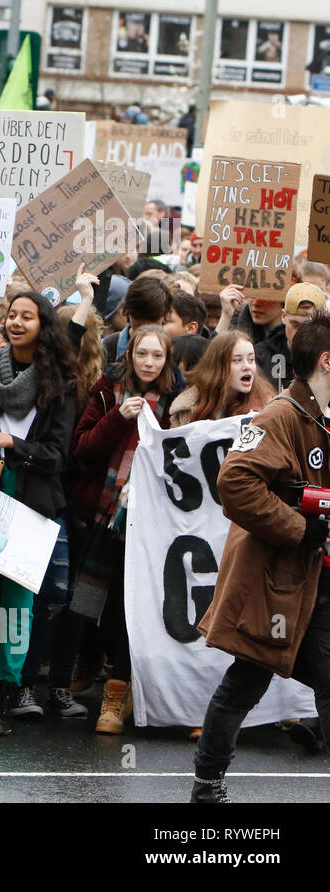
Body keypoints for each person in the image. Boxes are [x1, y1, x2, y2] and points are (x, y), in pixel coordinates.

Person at [191, 313, 330, 802]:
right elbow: (234, 482)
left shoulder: (323, 417)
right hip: (279, 578)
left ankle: (207, 783)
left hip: (316, 578)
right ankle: (207, 784)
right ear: (326, 361)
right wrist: (299, 528)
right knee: (247, 679)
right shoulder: (280, 416)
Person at [0, 291, 79, 737]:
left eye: (28, 316)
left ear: (43, 325)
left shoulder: (60, 385)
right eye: (12, 315)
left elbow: (57, 455)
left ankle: (3, 699)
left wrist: (13, 446)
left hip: (33, 503)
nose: (17, 322)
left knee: (19, 606)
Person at [70, 325, 178, 735]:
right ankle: (90, 663)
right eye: (142, 354)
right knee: (99, 600)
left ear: (167, 361)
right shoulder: (107, 388)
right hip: (107, 514)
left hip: (154, 523)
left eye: (157, 356)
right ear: (130, 354)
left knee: (133, 609)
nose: (149, 363)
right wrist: (118, 417)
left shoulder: (176, 400)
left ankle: (120, 691)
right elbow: (83, 449)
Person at [168, 330, 276, 427]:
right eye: (237, 360)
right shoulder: (187, 407)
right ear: (218, 366)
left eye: (251, 359)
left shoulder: (267, 407)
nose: (247, 366)